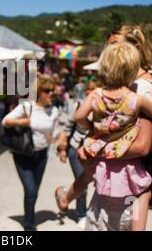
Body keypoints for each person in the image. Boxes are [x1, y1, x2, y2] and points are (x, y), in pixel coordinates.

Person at [55, 42, 152, 231]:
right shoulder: (136, 99)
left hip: (102, 194)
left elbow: (79, 116)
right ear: (133, 71)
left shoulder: (96, 94)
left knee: (101, 203)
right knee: (142, 194)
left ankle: (65, 197)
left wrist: (94, 129)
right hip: (128, 175)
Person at [2, 74, 60, 231]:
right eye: (47, 90)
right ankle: (29, 225)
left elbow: (54, 132)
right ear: (39, 92)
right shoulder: (26, 107)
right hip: (23, 154)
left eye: (53, 91)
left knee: (34, 192)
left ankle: (29, 217)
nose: (51, 94)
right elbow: (5, 121)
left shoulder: (54, 110)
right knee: (31, 190)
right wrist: (25, 121)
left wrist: (59, 146)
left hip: (41, 155)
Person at [56, 80, 98, 229]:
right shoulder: (78, 107)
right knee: (84, 183)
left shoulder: (103, 109)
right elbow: (67, 129)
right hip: (76, 150)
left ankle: (65, 192)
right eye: (89, 89)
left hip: (94, 153)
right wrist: (62, 149)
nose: (90, 92)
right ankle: (81, 214)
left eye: (94, 89)